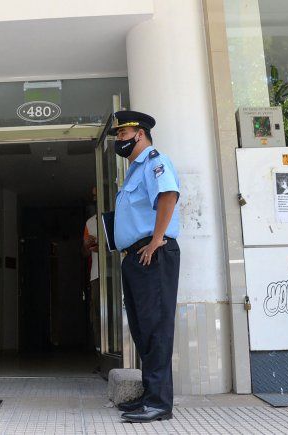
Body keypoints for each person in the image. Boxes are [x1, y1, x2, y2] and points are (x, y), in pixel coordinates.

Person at [110, 111, 181, 423]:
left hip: (154, 253)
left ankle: (160, 403)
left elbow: (168, 195)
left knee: (156, 329)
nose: (118, 141)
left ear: (139, 134)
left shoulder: (154, 160)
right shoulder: (132, 173)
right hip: (135, 257)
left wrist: (156, 240)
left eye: (122, 135)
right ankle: (150, 395)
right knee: (142, 329)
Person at [82, 188, 100, 352]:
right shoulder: (90, 223)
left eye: (96, 194)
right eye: (93, 195)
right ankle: (100, 353)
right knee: (96, 314)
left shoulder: (116, 218)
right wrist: (88, 245)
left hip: (114, 274)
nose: (94, 198)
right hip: (95, 274)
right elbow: (84, 252)